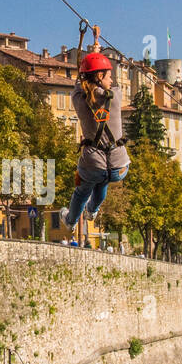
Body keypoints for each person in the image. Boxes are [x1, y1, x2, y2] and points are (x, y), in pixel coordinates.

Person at [58, 46, 129, 229]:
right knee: (104, 178)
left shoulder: (78, 99)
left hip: (93, 164)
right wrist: (97, 50)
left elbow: (79, 83)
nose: (111, 79)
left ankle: (71, 221)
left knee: (82, 190)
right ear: (99, 77)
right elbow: (103, 85)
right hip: (119, 167)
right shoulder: (116, 96)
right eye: (108, 75)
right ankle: (92, 210)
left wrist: (89, 60)